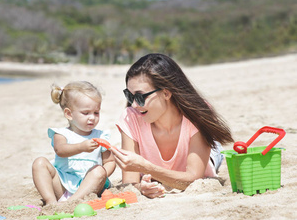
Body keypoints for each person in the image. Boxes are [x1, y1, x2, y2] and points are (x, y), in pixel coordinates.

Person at [113, 53, 233, 199]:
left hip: (207, 154)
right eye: (130, 96)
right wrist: (142, 188)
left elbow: (194, 179)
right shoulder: (130, 118)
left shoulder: (196, 115)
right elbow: (130, 183)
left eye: (140, 97)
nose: (134, 104)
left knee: (213, 155)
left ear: (166, 93)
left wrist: (146, 167)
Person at [32, 81, 116, 205]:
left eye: (96, 112)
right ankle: (51, 201)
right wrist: (81, 147)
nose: (92, 117)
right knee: (39, 163)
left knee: (98, 171)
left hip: (89, 186)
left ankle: (72, 201)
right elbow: (60, 150)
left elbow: (109, 162)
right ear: (69, 114)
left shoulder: (101, 136)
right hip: (62, 184)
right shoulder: (61, 134)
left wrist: (101, 175)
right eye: (86, 113)